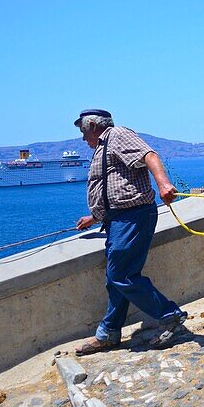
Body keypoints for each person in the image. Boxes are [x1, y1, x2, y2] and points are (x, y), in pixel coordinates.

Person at [73, 109, 187, 356]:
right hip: (117, 220)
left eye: (83, 131)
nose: (83, 138)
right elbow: (114, 186)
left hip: (133, 216)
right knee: (115, 279)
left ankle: (170, 316)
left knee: (120, 274)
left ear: (92, 124)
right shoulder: (103, 147)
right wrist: (95, 216)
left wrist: (163, 184)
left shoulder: (117, 135)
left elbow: (149, 155)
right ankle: (109, 333)